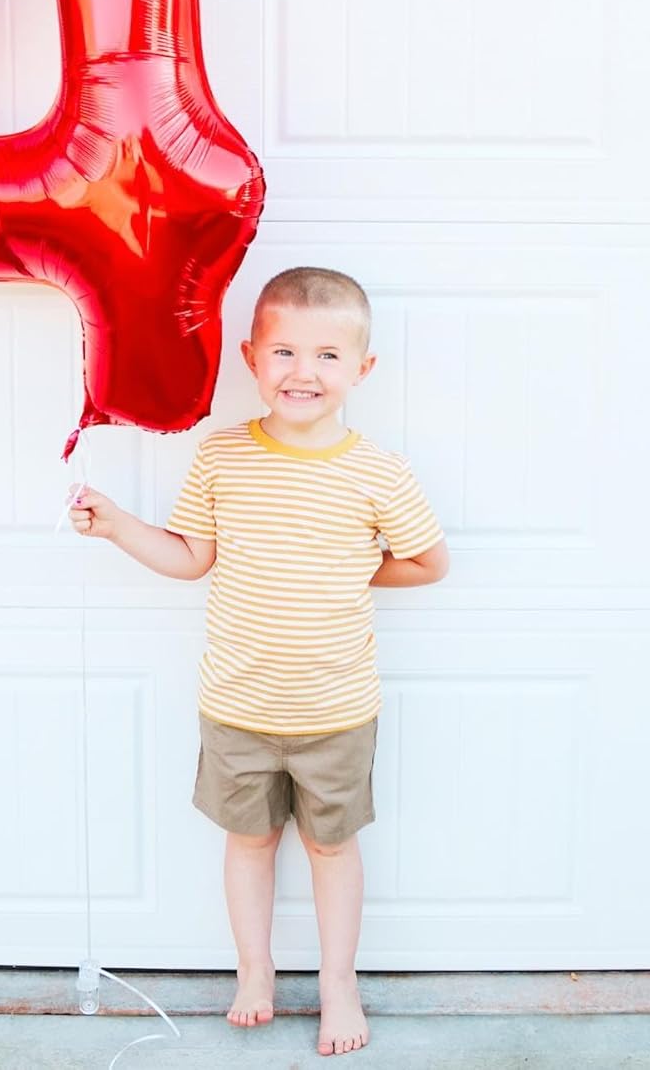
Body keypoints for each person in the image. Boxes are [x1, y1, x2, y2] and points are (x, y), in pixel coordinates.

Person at [68, 266, 448, 1056]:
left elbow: (427, 563)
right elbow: (190, 558)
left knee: (332, 848)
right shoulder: (223, 458)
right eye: (283, 352)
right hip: (237, 706)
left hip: (336, 711)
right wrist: (117, 525)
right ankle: (255, 971)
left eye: (327, 356)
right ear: (251, 357)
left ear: (363, 368)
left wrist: (348, 569)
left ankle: (339, 984)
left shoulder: (379, 473)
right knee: (248, 843)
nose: (303, 372)